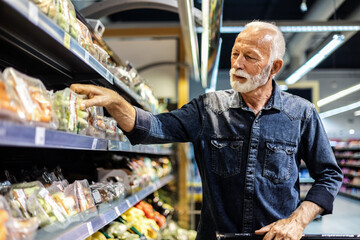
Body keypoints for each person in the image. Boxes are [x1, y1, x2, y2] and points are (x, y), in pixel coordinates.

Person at [71, 21, 343, 240]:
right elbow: (156, 127)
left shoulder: (301, 114)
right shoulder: (209, 109)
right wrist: (119, 104)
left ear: (274, 67)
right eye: (235, 53)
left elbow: (329, 175)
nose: (237, 64)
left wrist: (298, 220)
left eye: (249, 57)